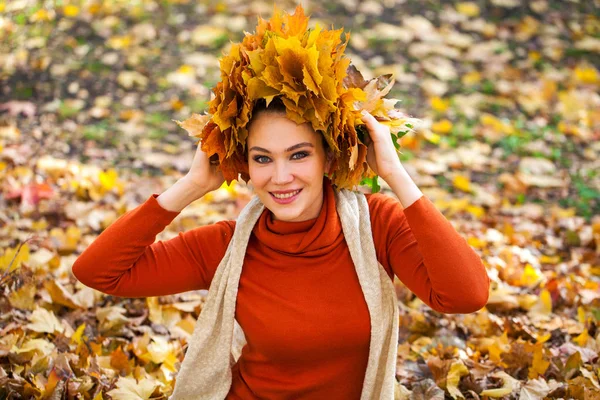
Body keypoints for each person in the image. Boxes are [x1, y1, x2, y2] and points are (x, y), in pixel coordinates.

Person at [72, 6, 489, 400]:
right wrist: (191, 185)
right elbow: (99, 273)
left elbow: (466, 295)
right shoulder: (227, 246)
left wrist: (396, 176)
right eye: (262, 159)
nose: (281, 176)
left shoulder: (377, 226)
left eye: (299, 154)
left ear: (327, 155)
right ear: (245, 165)